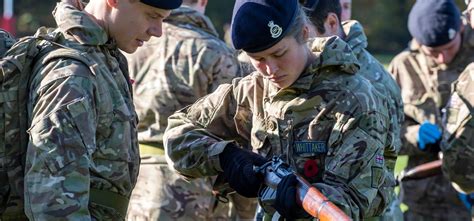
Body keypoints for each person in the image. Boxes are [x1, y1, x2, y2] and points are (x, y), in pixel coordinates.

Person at [164, 0, 395, 220]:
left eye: (279, 53)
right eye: (258, 59)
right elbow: (178, 133)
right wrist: (226, 158)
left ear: (304, 33)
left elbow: (354, 198)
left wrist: (301, 206)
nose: (270, 69)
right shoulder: (252, 91)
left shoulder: (354, 99)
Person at [23, 0, 181, 220]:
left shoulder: (103, 57)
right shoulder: (75, 74)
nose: (157, 32)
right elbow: (54, 200)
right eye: (151, 16)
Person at [123, 0, 257, 220]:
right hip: (192, 192)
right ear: (203, 2)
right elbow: (238, 135)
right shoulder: (215, 53)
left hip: (131, 186)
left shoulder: (132, 45)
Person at [303, 0, 403, 219]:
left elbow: (380, 172)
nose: (298, 44)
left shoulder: (374, 83)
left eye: (303, 34)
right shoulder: (296, 71)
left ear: (331, 23)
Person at [388, 0, 474, 220]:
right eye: (434, 52)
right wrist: (413, 135)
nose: (443, 58)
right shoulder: (403, 66)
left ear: (461, 28)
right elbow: (383, 132)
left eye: (449, 48)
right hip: (424, 204)